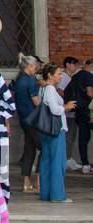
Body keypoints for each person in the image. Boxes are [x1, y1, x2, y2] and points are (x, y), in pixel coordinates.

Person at [37, 62, 74, 205]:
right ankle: (58, 195)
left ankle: (46, 193)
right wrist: (66, 107)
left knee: (47, 161)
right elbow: (54, 110)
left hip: (46, 130)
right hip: (56, 129)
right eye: (58, 74)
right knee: (57, 163)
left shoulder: (44, 88)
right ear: (50, 76)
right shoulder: (51, 89)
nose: (60, 76)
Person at [14, 53, 42, 194]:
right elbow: (36, 102)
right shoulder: (30, 80)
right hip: (33, 120)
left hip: (23, 119)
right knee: (44, 147)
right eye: (35, 66)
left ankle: (26, 182)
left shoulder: (19, 79)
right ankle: (39, 180)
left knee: (29, 149)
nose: (36, 68)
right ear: (30, 66)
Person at [65, 58, 93, 175]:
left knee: (83, 137)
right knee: (85, 137)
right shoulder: (88, 76)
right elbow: (90, 93)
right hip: (89, 110)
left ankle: (85, 164)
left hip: (78, 110)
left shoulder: (76, 76)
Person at [60, 57, 82, 169]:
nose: (76, 67)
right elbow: (61, 92)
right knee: (69, 136)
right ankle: (66, 158)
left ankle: (68, 157)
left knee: (72, 136)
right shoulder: (63, 77)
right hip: (66, 111)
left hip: (72, 110)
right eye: (74, 65)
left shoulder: (72, 76)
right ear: (67, 64)